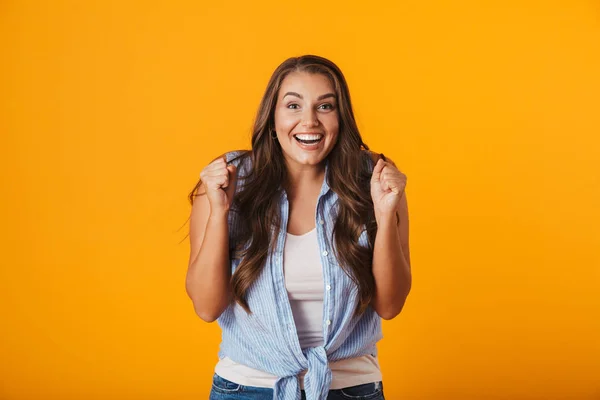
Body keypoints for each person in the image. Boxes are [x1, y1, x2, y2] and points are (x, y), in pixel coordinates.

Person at [186, 55, 411, 400]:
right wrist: (220, 211)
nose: (309, 121)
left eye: (325, 106)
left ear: (341, 118)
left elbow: (390, 305)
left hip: (350, 388)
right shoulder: (229, 179)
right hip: (247, 388)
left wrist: (385, 213)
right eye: (293, 105)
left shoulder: (374, 179)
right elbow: (206, 307)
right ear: (273, 117)